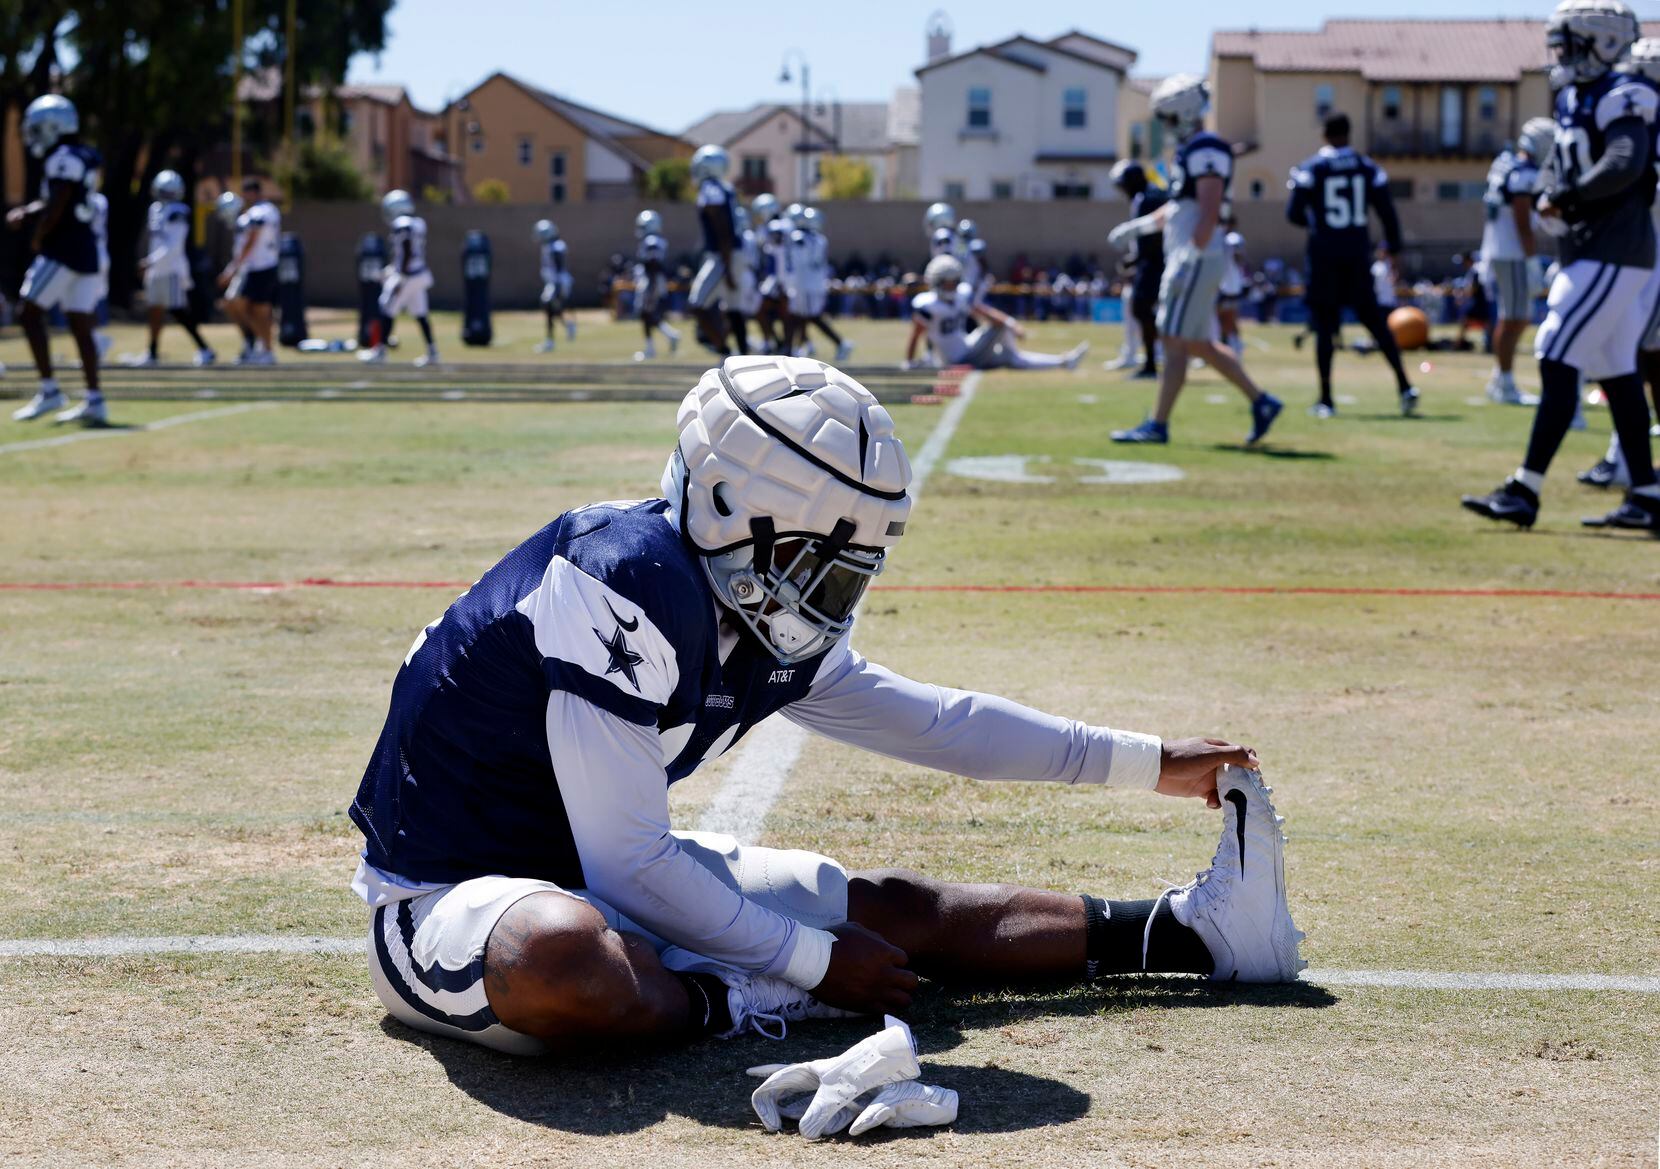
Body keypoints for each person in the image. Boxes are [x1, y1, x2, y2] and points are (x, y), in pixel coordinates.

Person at [347, 353, 1304, 1055]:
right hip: (451, 894)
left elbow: (936, 723)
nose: (829, 599)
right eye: (814, 564)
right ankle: (739, 999)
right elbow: (628, 864)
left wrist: (1144, 759)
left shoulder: (740, 596)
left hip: (599, 872)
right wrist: (804, 963)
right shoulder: (624, 579)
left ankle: (1184, 930)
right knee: (562, 958)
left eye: (851, 573)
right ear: (726, 505)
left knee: (889, 911)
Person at [1464, 0, 1660, 534]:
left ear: (1605, 43)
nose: (1562, 54)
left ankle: (1524, 490)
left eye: (1571, 43)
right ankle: (1646, 492)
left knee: (1554, 354)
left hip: (1613, 250)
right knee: (1618, 374)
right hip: (1592, 250)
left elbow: (1625, 162)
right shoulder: (1578, 97)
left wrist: (1567, 199)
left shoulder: (1624, 95)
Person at [1111, 75, 1283, 446]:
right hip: (1193, 254)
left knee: (1173, 340)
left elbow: (1208, 209)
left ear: (1183, 114)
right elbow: (1179, 207)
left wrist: (1191, 253)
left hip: (1197, 256)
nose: (1166, 127)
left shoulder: (1206, 148)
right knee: (1195, 343)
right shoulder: (1193, 149)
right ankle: (1261, 401)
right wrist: (1139, 228)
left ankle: (1158, 425)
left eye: (1168, 119)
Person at [1284, 113, 1418, 420]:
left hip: (1324, 257)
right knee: (1375, 323)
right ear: (1349, 133)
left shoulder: (1311, 168)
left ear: (1324, 135)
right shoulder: (1367, 167)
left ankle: (1326, 399)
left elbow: (1293, 214)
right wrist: (1394, 248)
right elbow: (1387, 212)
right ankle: (1404, 386)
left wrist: (1318, 225)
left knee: (1324, 328)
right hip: (1357, 255)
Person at [7, 95, 107, 427]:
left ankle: (49, 389)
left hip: (64, 249)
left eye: (37, 128)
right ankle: (95, 399)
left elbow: (60, 199)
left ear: (54, 125)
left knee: (29, 312)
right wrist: (30, 210)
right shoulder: (83, 155)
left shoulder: (61, 158)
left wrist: (39, 235)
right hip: (86, 249)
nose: (34, 136)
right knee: (81, 324)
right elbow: (61, 196)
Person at [1480, 120, 1555, 404]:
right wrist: (1532, 260)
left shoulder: (1506, 163)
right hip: (1512, 252)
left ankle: (1501, 378)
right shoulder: (1523, 173)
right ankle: (1505, 382)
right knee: (1515, 318)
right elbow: (1522, 221)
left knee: (1513, 317)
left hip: (1501, 249)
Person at [905, 255, 1086, 371]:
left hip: (968, 347)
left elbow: (982, 311)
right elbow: (915, 336)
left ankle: (1063, 362)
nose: (951, 286)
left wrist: (1010, 323)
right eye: (947, 282)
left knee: (1011, 356)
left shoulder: (960, 296)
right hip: (958, 359)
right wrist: (910, 362)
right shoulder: (927, 305)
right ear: (936, 281)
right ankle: (1054, 361)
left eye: (954, 281)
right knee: (1002, 330)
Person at [136, 170, 215, 367]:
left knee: (178, 310)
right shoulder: (155, 209)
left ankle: (205, 349)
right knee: (154, 310)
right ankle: (152, 352)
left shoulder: (178, 211)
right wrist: (151, 262)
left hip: (171, 268)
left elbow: (174, 246)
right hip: (156, 269)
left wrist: (150, 261)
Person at [360, 189, 437, 367]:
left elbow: (407, 250)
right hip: (419, 273)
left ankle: (379, 350)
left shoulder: (402, 224)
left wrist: (400, 275)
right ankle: (433, 351)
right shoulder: (418, 223)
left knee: (386, 308)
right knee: (421, 313)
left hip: (408, 275)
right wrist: (390, 270)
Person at [1106, 159, 1166, 379]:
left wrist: (1135, 260)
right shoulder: (1151, 195)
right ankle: (1156, 358)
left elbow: (1151, 238)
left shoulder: (1146, 199)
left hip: (1155, 263)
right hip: (1158, 261)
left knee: (1142, 308)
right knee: (1146, 310)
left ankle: (1153, 361)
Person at [219, 178, 280, 365]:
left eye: (247, 193)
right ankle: (253, 343)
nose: (245, 197)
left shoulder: (260, 212)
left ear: (254, 192)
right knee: (235, 304)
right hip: (253, 268)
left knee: (259, 311)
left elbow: (252, 239)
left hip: (261, 267)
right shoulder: (261, 212)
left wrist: (233, 268)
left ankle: (266, 350)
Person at [686, 144, 740, 356]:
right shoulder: (722, 188)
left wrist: (727, 267)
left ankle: (726, 352)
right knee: (721, 307)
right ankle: (726, 350)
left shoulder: (711, 189)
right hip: (722, 255)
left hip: (720, 256)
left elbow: (723, 230)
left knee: (697, 305)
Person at [784, 206, 851, 362]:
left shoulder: (800, 238)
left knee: (808, 317)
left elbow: (796, 259)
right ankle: (792, 349)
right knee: (799, 316)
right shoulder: (818, 239)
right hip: (811, 283)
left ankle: (840, 343)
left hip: (805, 283)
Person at [630, 209, 679, 363]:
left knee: (646, 314)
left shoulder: (651, 241)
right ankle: (670, 336)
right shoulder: (654, 240)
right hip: (652, 280)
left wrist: (650, 286)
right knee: (647, 314)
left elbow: (654, 263)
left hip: (652, 281)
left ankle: (651, 348)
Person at [750, 193, 788, 353]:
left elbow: (779, 256)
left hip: (781, 278)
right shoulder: (771, 227)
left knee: (787, 314)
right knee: (763, 310)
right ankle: (776, 343)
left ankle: (783, 345)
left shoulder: (779, 227)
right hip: (774, 277)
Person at [534, 219, 574, 354]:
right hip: (553, 282)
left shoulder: (556, 246)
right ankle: (566, 326)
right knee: (550, 309)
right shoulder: (548, 246)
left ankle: (552, 340)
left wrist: (555, 285)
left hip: (558, 282)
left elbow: (558, 267)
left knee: (548, 306)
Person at [1217, 209, 1247, 357]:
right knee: (1221, 317)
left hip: (1231, 286)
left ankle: (1236, 346)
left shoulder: (1232, 238)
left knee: (1229, 317)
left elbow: (1239, 256)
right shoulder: (1222, 238)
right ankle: (1225, 346)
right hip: (1224, 285)